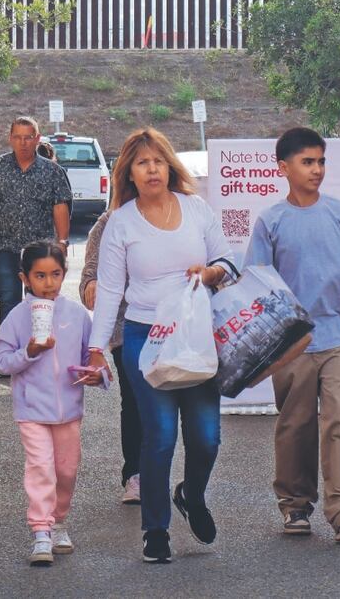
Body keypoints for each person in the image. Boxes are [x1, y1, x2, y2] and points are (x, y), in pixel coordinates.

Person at [85, 127, 231, 564]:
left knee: (206, 438)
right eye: (143, 162)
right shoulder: (120, 222)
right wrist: (96, 348)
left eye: (159, 161)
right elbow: (110, 291)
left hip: (196, 334)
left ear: (170, 166)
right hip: (144, 338)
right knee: (161, 436)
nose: (153, 169)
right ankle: (156, 529)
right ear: (129, 171)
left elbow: (227, 261)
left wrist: (209, 274)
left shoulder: (197, 208)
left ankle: (191, 493)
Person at [244, 126, 340, 543]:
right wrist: (266, 348)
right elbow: (257, 285)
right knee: (296, 424)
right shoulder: (271, 221)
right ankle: (295, 505)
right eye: (308, 162)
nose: (317, 169)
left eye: (321, 161)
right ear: (283, 167)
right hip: (291, 346)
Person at [0, 240, 106, 567]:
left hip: (69, 410)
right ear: (24, 278)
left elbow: (92, 356)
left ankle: (59, 521)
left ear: (64, 274)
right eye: (39, 276)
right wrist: (29, 352)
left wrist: (99, 376)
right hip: (31, 411)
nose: (48, 283)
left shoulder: (76, 314)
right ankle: (41, 530)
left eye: (55, 274)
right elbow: (2, 362)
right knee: (41, 467)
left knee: (66, 470)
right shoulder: (16, 317)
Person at [0, 117, 72, 326]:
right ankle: (9, 348)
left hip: (41, 249)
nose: (23, 143)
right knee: (8, 301)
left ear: (37, 139)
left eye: (28, 138)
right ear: (10, 139)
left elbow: (60, 207)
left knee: (41, 300)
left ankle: (40, 345)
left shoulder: (52, 172)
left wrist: (63, 241)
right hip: (5, 246)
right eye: (18, 137)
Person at [80, 210, 143, 505]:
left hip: (171, 325)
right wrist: (91, 285)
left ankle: (161, 470)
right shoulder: (108, 223)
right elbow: (89, 274)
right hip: (124, 326)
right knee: (133, 400)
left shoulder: (178, 213)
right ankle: (136, 474)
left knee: (168, 403)